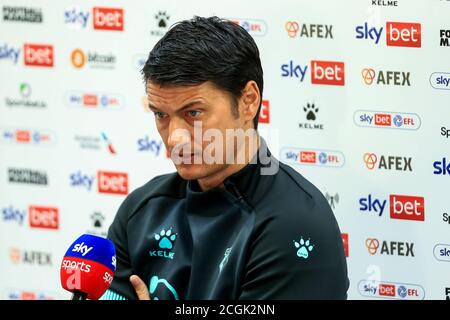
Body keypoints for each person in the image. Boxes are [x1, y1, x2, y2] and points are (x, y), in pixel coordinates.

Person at [101, 16, 349, 300]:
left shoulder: (294, 224)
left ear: (249, 101)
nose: (174, 138)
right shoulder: (141, 211)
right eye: (161, 115)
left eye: (193, 113)